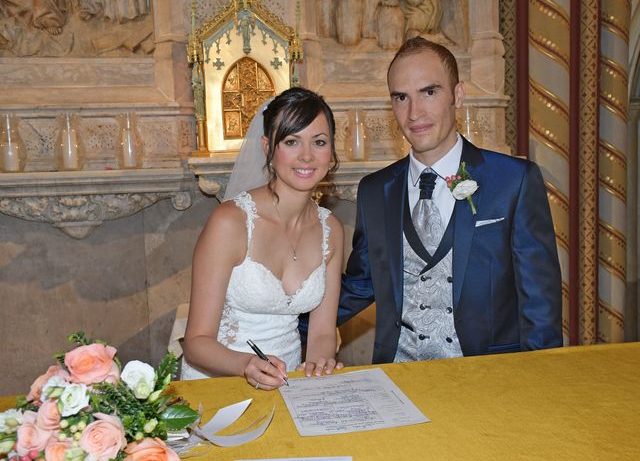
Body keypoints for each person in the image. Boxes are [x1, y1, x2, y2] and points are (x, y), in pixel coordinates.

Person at [338, 37, 562, 364]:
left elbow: (539, 305)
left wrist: (538, 384)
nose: (414, 113)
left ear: (458, 95)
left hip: (489, 380)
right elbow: (359, 285)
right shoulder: (375, 189)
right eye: (401, 97)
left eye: (429, 92)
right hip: (399, 380)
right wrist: (281, 328)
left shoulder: (514, 181)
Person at [183, 87, 345, 390]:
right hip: (219, 381)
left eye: (319, 142)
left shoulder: (331, 230)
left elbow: (322, 334)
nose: (307, 155)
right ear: (268, 147)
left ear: (331, 151)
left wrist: (319, 364)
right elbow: (196, 342)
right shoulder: (230, 222)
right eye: (291, 141)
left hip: (288, 383)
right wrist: (246, 365)